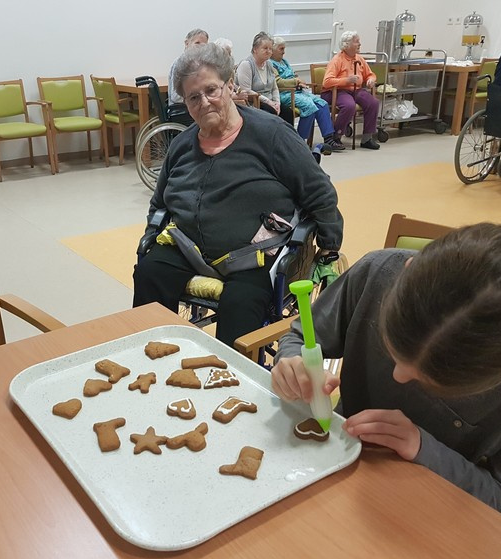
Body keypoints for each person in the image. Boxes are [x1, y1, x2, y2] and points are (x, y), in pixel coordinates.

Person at [271, 223, 501, 533]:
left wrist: (426, 449)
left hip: (428, 520)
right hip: (334, 471)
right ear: (407, 271)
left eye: (430, 381)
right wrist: (292, 362)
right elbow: (302, 336)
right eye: (391, 348)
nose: (398, 376)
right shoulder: (377, 273)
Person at [133, 43, 342, 347]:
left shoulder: (272, 134)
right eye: (193, 97)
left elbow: (318, 191)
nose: (204, 102)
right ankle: (150, 357)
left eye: (211, 90)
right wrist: (152, 234)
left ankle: (229, 374)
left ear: (230, 85)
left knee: (242, 304)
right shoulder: (181, 145)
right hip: (188, 247)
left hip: (253, 256)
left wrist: (329, 244)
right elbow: (160, 203)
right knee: (149, 273)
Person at [270, 36, 345, 152]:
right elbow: (278, 82)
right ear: (273, 49)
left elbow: (292, 76)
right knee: (309, 106)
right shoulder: (270, 64)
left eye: (284, 48)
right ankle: (300, 141)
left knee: (322, 103)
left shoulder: (284, 62)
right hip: (285, 93)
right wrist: (296, 81)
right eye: (281, 49)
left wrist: (299, 82)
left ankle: (328, 138)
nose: (284, 52)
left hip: (297, 91)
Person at [322, 30, 381, 150]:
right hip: (337, 91)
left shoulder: (360, 59)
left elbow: (370, 74)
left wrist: (370, 80)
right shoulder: (337, 60)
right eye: (356, 42)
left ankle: (367, 139)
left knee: (373, 103)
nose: (360, 44)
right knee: (349, 105)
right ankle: (336, 136)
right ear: (346, 44)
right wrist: (346, 80)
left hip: (356, 90)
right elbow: (327, 82)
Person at [236, 32, 295, 125]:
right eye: (265, 48)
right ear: (255, 49)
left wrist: (277, 103)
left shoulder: (269, 64)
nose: (269, 51)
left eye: (270, 49)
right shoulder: (246, 65)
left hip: (270, 102)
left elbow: (274, 87)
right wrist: (268, 102)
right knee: (271, 113)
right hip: (254, 104)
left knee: (288, 112)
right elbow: (246, 91)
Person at [167, 28, 209, 106]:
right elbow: (176, 97)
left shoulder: (201, 64)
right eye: (197, 43)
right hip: (181, 108)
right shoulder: (180, 63)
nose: (200, 47)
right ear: (187, 43)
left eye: (204, 45)